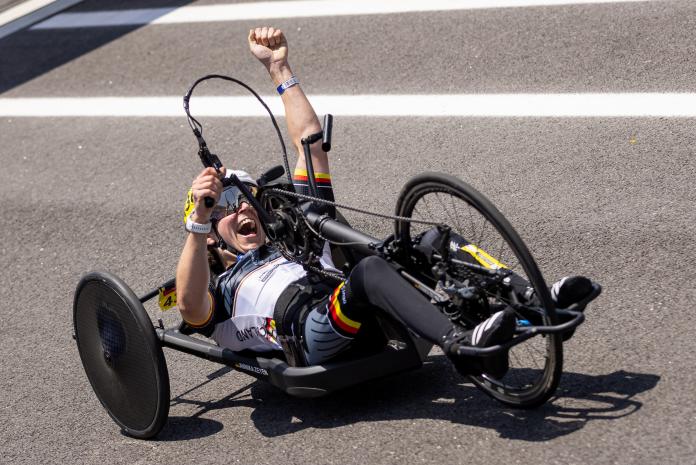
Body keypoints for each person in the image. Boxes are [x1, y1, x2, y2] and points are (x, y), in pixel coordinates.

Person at [176, 27, 594, 379]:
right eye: (223, 207)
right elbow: (189, 306)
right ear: (211, 239)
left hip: (357, 311)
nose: (242, 209)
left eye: (245, 199)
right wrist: (199, 217)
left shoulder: (294, 241)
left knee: (431, 241)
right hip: (310, 334)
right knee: (370, 270)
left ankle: (535, 301)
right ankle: (464, 347)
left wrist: (278, 67)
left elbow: (310, 143)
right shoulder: (222, 291)